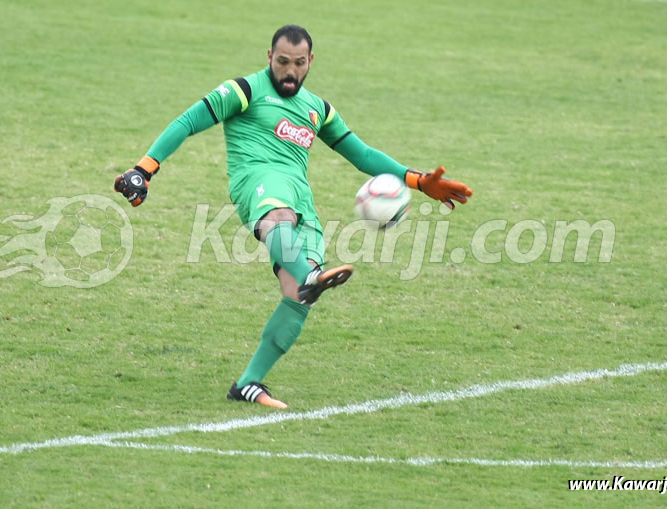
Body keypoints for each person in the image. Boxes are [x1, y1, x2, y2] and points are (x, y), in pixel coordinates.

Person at [115, 25, 473, 409]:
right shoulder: (245, 91)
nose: (289, 71)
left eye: (298, 64)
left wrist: (418, 181)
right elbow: (188, 121)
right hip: (258, 181)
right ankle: (309, 275)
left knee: (299, 296)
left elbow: (362, 154)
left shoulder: (318, 109)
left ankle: (248, 384)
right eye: (282, 61)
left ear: (310, 62)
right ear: (269, 56)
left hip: (302, 198)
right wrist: (144, 168)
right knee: (282, 227)